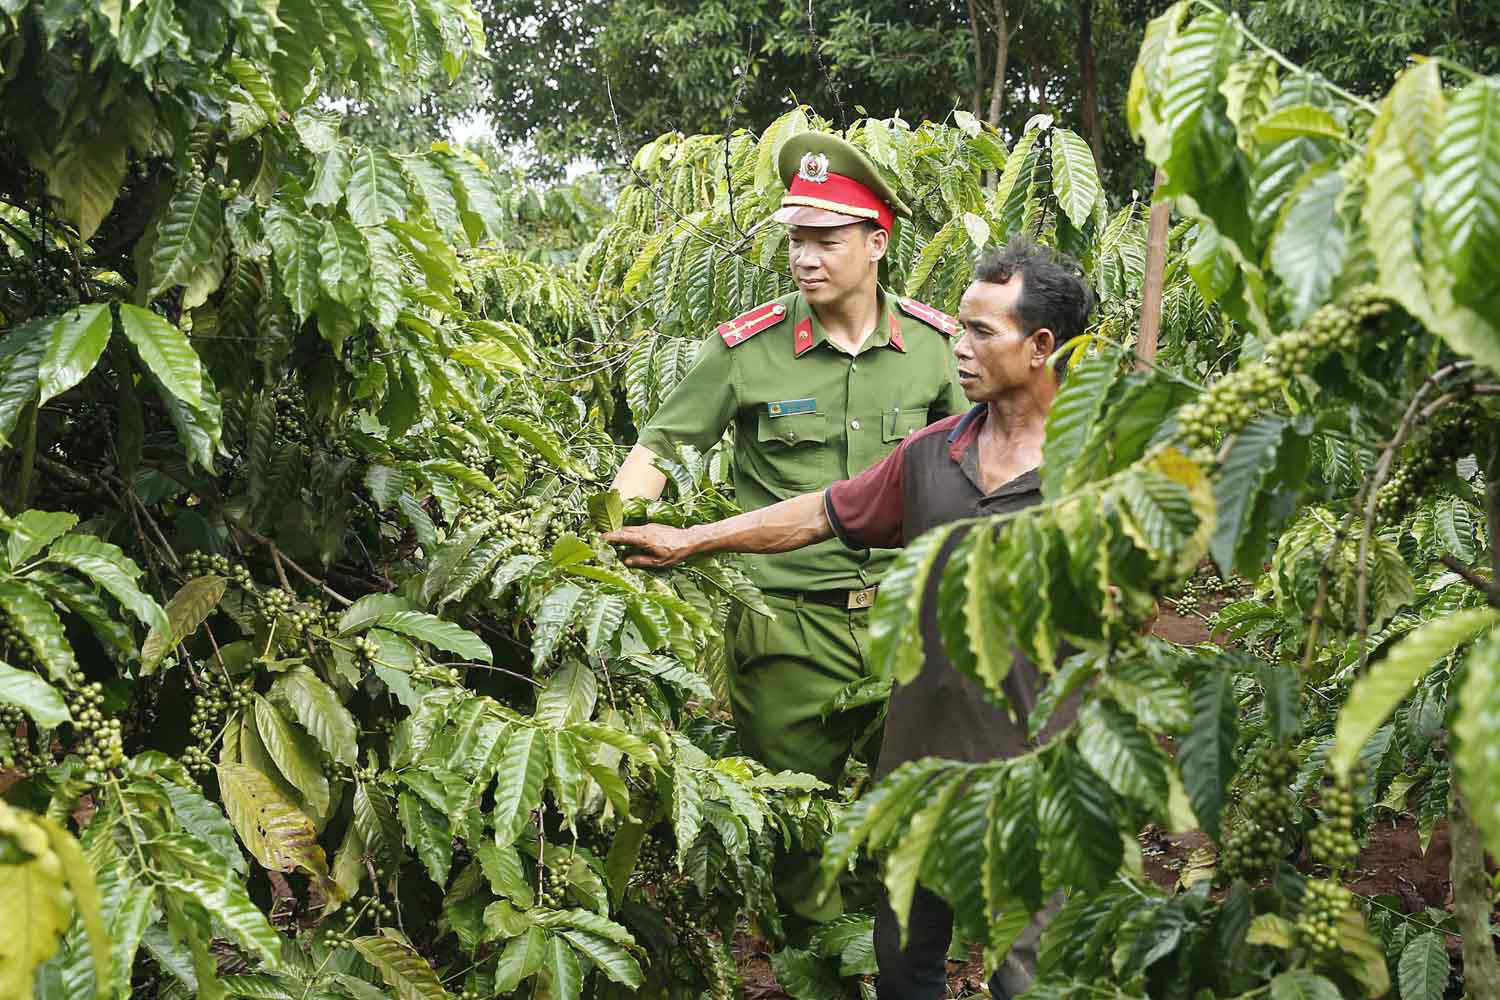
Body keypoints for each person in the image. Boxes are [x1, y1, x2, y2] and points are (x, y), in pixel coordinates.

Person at [606, 237, 1093, 999]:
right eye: (958, 328)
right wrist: (691, 538)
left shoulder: (1097, 473)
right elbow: (820, 514)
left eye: (980, 334)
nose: (958, 349)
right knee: (905, 965)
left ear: (1040, 348)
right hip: (919, 771)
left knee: (1027, 973)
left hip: (1034, 775)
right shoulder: (935, 454)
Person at [610, 131, 966, 794]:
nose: (805, 258)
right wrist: (609, 543)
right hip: (786, 633)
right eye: (796, 241)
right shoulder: (748, 349)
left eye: (826, 241)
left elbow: (981, 461)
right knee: (797, 832)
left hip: (908, 622)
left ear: (877, 243)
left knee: (914, 816)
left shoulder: (935, 346)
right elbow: (657, 448)